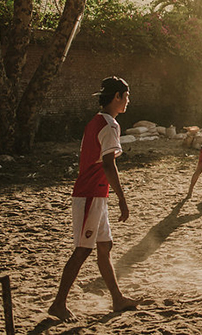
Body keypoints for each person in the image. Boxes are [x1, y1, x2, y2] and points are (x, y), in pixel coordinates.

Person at [49, 77, 138, 321]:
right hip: (90, 193)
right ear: (117, 97)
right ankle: (58, 304)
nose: (128, 101)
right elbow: (109, 165)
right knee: (82, 250)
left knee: (104, 247)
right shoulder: (109, 126)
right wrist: (122, 197)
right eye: (126, 96)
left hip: (96, 193)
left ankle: (117, 298)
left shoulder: (96, 121)